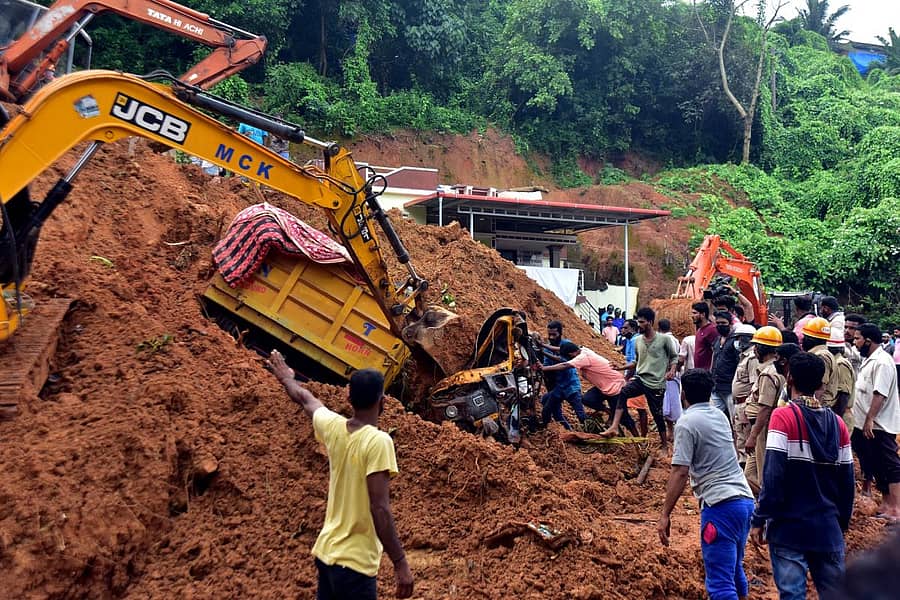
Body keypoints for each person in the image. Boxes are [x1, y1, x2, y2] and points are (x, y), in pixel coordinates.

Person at [267, 350, 414, 599]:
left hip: (327, 555)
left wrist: (286, 378)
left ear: (348, 398)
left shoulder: (334, 428)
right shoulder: (378, 442)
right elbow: (379, 508)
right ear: (383, 402)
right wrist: (400, 563)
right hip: (354, 564)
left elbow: (305, 398)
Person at [750, 352, 854, 600]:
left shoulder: (782, 417)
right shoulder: (838, 424)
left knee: (792, 594)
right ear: (821, 384)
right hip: (827, 529)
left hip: (789, 529)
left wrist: (759, 519)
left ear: (789, 379)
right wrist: (841, 524)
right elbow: (847, 482)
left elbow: (773, 476)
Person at [657, 369, 755, 600]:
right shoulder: (719, 415)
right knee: (733, 568)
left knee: (720, 585)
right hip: (745, 501)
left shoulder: (686, 422)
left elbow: (680, 471)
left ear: (683, 393)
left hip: (720, 506)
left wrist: (665, 514)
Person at [602, 307, 678, 450]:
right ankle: (614, 426)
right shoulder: (638, 341)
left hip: (656, 383)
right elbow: (636, 362)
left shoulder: (664, 340)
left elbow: (674, 357)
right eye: (638, 321)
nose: (639, 324)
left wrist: (672, 370)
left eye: (642, 322)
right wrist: (621, 367)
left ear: (650, 322)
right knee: (623, 392)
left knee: (657, 414)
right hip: (640, 379)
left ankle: (664, 446)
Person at [852, 323, 900, 520]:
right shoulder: (869, 360)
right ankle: (887, 505)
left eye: (858, 339)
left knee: (890, 464)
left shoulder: (882, 362)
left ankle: (896, 508)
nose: (855, 342)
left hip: (879, 424)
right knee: (877, 464)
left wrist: (870, 419)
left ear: (868, 341)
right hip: (869, 424)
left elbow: (879, 393)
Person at [540, 342, 636, 434]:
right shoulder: (582, 350)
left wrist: (544, 368)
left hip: (615, 387)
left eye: (568, 357)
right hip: (604, 387)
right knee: (587, 399)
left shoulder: (582, 357)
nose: (568, 359)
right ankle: (609, 412)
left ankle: (639, 440)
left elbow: (565, 365)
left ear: (571, 354)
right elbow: (560, 350)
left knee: (625, 418)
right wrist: (543, 345)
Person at [742, 328, 786, 493]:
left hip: (763, 429)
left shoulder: (769, 374)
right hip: (761, 428)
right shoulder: (773, 370)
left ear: (762, 349)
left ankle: (768, 508)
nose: (754, 350)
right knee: (748, 475)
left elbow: (765, 408)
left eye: (757, 347)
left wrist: (753, 436)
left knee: (762, 474)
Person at [539, 321, 587, 427]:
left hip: (571, 385)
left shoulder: (567, 345)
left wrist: (543, 351)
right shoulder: (548, 348)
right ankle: (559, 430)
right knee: (547, 410)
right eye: (549, 334)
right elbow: (546, 365)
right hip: (559, 386)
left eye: (554, 335)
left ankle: (593, 432)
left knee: (581, 414)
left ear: (560, 334)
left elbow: (563, 361)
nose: (551, 337)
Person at [731, 323, 759, 467]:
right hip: (738, 403)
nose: (738, 342)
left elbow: (754, 386)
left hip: (744, 404)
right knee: (739, 437)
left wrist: (747, 406)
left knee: (744, 437)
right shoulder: (743, 357)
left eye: (740, 338)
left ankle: (747, 472)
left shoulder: (752, 358)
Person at [801, 317, 839, 409]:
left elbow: (820, 386)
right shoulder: (822, 353)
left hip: (820, 406)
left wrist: (813, 410)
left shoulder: (821, 356)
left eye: (805, 337)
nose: (802, 340)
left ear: (810, 339)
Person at [710, 312, 741, 420]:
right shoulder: (717, 341)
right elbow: (714, 360)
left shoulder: (735, 341)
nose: (720, 325)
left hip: (729, 387)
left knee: (734, 419)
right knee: (714, 418)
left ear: (731, 324)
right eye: (718, 323)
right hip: (716, 386)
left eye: (723, 323)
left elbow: (739, 363)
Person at [827, 327, 855, 429]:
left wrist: (835, 420)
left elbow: (843, 395)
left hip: (841, 417)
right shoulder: (834, 362)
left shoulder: (840, 364)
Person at [659, 319, 682, 427]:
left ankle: (672, 430)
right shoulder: (675, 339)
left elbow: (671, 358)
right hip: (671, 375)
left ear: (658, 328)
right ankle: (671, 430)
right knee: (670, 403)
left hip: (668, 376)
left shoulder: (666, 339)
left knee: (671, 404)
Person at [693, 302, 717, 370]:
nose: (692, 316)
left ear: (703, 314)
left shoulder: (712, 330)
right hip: (698, 371)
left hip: (706, 373)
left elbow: (715, 352)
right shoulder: (699, 330)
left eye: (695, 313)